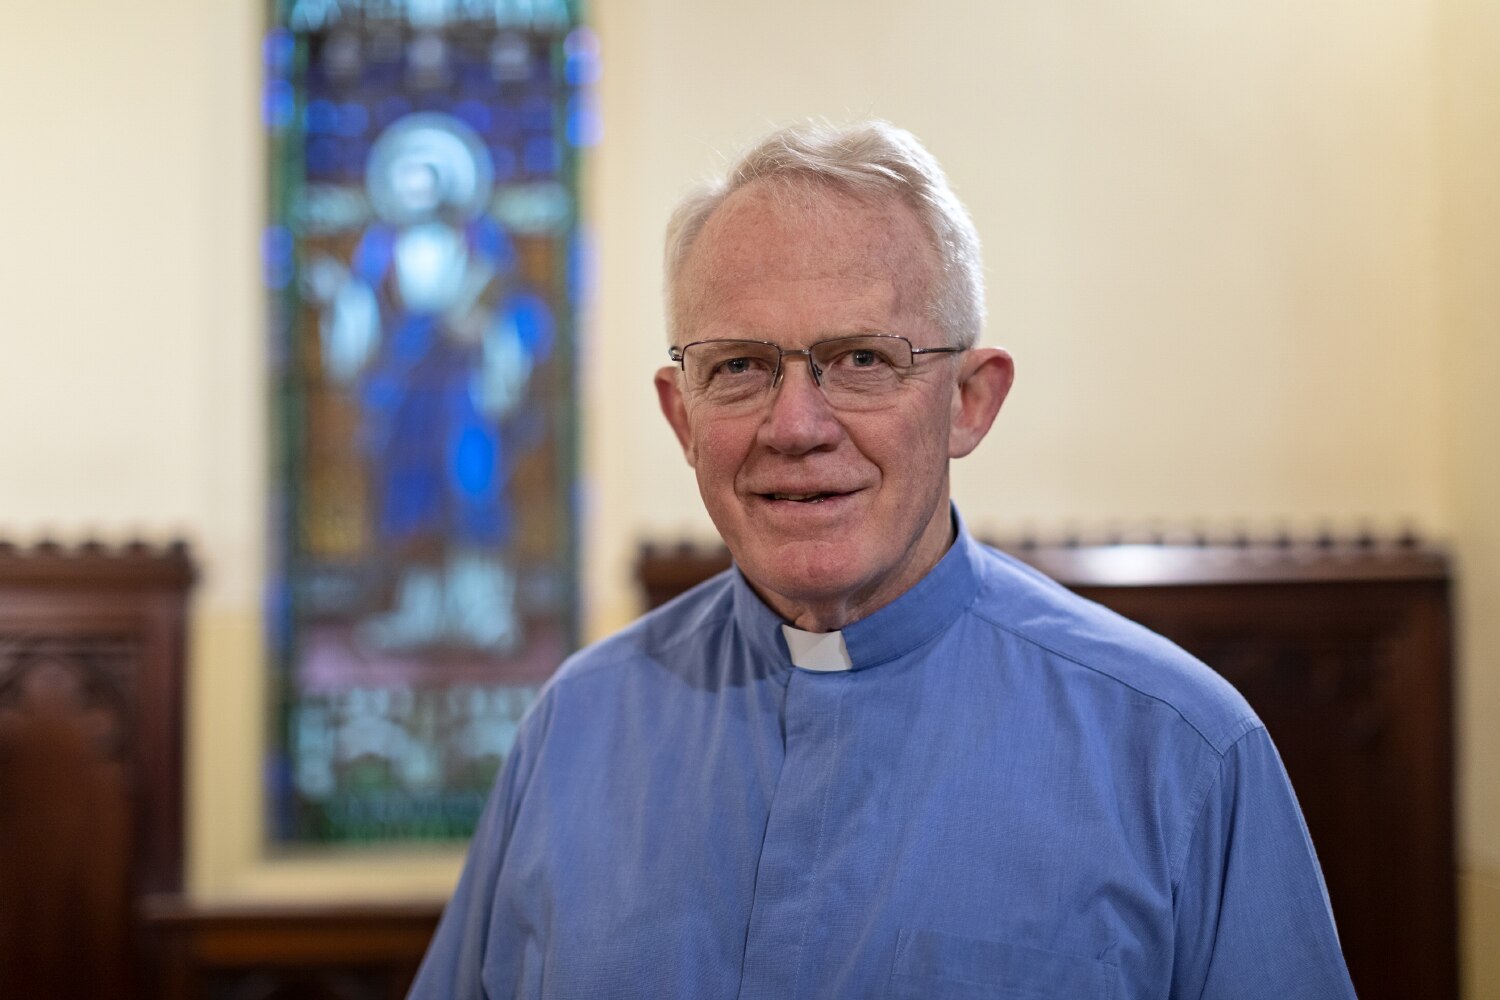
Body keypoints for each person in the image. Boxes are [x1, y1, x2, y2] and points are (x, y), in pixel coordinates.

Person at [408, 120, 1356, 999]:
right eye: (737, 365)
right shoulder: (574, 729)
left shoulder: (1182, 754)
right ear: (680, 416)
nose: (795, 426)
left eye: (863, 358)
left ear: (970, 402)